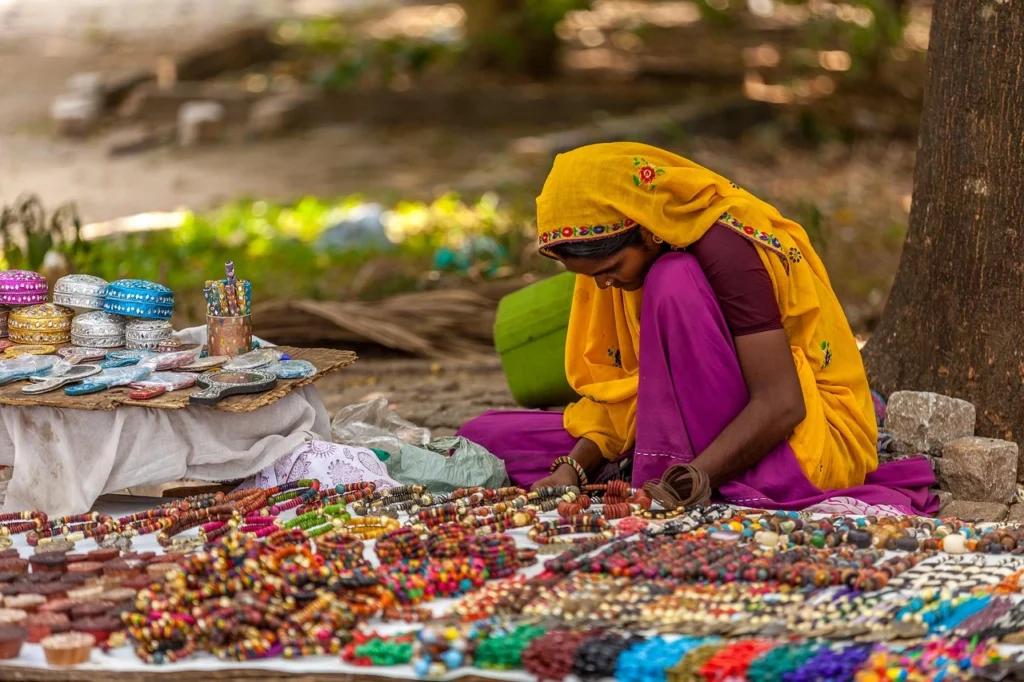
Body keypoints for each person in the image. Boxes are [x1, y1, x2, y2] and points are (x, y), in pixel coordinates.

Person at [458, 142, 937, 515]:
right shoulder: (619, 271)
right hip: (696, 425)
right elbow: (628, 395)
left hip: (796, 439)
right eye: (590, 278)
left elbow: (781, 403)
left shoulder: (726, 249)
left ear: (647, 229)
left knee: (673, 280)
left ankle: (667, 464)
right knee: (484, 437)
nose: (604, 286)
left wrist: (686, 480)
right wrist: (572, 469)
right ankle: (652, 460)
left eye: (610, 268)